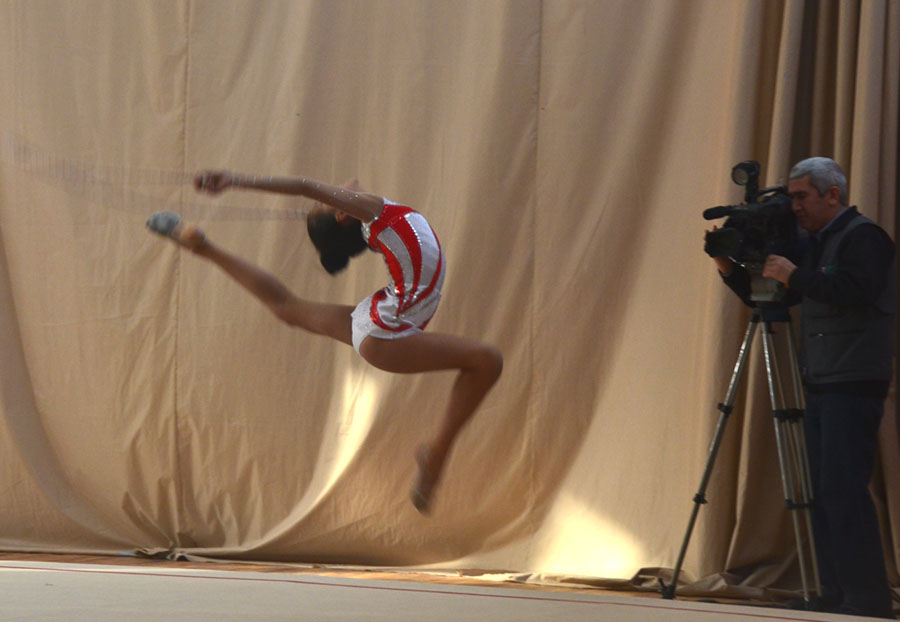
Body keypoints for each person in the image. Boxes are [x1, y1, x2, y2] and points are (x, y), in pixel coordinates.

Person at [146, 171, 503, 515]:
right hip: (388, 333)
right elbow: (304, 186)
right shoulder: (374, 210)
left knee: (286, 308)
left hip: (377, 322)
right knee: (487, 360)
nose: (340, 187)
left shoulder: (372, 220)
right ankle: (437, 455)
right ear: (341, 212)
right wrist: (234, 180)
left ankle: (203, 248)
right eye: (331, 199)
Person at [708, 157, 896, 619]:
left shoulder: (864, 237)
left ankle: (866, 597)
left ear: (833, 194)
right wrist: (727, 266)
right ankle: (832, 591)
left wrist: (795, 273)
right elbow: (778, 297)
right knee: (821, 488)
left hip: (853, 379)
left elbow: (856, 290)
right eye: (792, 197)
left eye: (801, 197)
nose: (794, 208)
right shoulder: (817, 244)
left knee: (843, 488)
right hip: (823, 377)